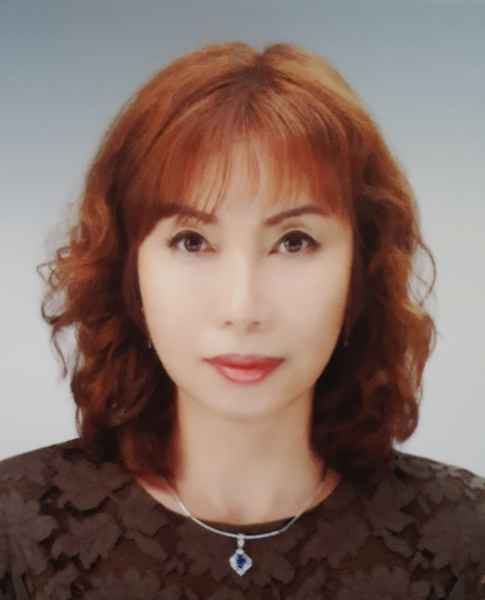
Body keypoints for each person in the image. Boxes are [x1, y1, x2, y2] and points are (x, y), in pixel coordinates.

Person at [0, 40, 484, 600]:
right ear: (128, 272)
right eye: (192, 241)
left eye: (294, 241)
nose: (243, 308)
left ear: (363, 269)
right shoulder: (16, 535)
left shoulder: (464, 544)